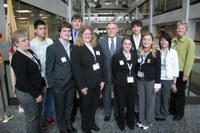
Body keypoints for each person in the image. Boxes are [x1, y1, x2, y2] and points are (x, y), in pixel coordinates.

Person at [71, 25, 106, 133]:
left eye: (90, 34)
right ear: (81, 35)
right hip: (86, 84)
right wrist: (82, 86)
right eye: (85, 34)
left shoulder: (97, 46)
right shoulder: (77, 48)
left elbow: (103, 64)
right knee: (85, 107)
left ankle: (92, 122)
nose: (88, 36)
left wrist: (103, 80)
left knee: (94, 105)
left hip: (97, 83)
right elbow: (76, 69)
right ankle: (86, 127)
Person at [11, 30, 45, 133]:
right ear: (16, 43)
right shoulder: (17, 58)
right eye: (23, 40)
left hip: (37, 89)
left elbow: (38, 70)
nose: (27, 42)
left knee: (39, 115)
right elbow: (23, 80)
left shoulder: (30, 52)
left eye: (27, 39)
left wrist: (43, 84)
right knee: (32, 118)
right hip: (27, 93)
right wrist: (36, 95)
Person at [46, 21, 77, 133]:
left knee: (69, 107)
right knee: (60, 108)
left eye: (69, 31)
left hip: (71, 83)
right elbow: (48, 69)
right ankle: (62, 128)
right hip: (58, 84)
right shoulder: (52, 48)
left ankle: (68, 125)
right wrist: (52, 84)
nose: (67, 33)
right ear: (59, 32)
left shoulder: (73, 47)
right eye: (64, 30)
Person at [30, 20, 55, 130]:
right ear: (35, 30)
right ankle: (40, 120)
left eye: (44, 28)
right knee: (41, 100)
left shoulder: (50, 41)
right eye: (40, 29)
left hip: (51, 75)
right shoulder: (31, 44)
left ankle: (48, 116)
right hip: (40, 78)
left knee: (51, 98)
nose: (43, 31)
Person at [169, 20, 195, 121]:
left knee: (179, 93)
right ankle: (172, 109)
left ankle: (179, 113)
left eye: (182, 28)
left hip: (181, 71)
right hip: (172, 71)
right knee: (173, 91)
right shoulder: (173, 40)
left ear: (186, 30)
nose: (180, 30)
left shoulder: (189, 42)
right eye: (178, 28)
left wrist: (186, 74)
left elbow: (190, 59)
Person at [98, 22, 122, 122]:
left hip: (119, 72)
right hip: (105, 72)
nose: (111, 30)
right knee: (106, 94)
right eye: (109, 28)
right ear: (106, 30)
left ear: (117, 30)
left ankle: (117, 113)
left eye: (113, 28)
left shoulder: (122, 41)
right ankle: (107, 113)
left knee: (118, 93)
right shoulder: (101, 41)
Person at [112, 36, 138, 131]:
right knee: (120, 104)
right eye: (125, 43)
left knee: (131, 104)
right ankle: (121, 122)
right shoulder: (117, 56)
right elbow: (114, 70)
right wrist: (119, 78)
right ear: (122, 44)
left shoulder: (135, 55)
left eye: (129, 44)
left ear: (132, 45)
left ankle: (131, 122)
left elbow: (135, 68)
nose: (127, 45)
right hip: (120, 83)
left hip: (132, 84)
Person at [136, 32, 161, 130]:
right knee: (141, 101)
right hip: (140, 80)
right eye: (144, 39)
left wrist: (157, 85)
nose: (146, 41)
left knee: (149, 102)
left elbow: (158, 69)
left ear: (152, 41)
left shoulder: (156, 52)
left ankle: (148, 121)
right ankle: (142, 120)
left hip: (151, 81)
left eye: (148, 40)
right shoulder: (139, 51)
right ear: (142, 41)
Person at [155, 32, 179, 121]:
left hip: (168, 79)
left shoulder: (173, 52)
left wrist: (174, 83)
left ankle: (164, 114)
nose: (163, 42)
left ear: (169, 42)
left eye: (165, 40)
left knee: (165, 98)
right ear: (159, 42)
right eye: (161, 40)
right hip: (158, 78)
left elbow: (176, 67)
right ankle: (156, 114)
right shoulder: (156, 51)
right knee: (157, 98)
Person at [70, 13, 83, 123]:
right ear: (71, 23)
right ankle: (72, 115)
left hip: (82, 71)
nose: (77, 23)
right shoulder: (67, 34)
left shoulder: (85, 35)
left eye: (79, 21)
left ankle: (85, 116)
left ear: (81, 23)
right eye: (75, 21)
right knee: (71, 96)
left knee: (83, 94)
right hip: (68, 71)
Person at [129, 20, 143, 121]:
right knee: (131, 91)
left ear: (141, 27)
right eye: (134, 26)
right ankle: (130, 111)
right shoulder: (128, 38)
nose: (136, 28)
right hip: (131, 69)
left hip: (143, 70)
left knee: (140, 92)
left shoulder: (145, 38)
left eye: (137, 26)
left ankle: (139, 111)